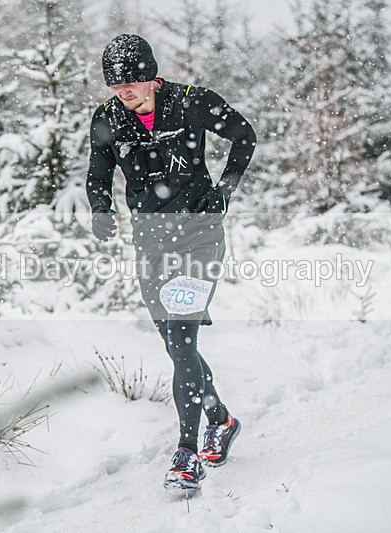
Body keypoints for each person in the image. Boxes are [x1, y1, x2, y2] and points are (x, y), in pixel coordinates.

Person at [86, 34, 256, 490]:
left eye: (134, 82)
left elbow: (244, 136)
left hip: (199, 237)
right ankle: (220, 419)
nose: (124, 91)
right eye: (115, 85)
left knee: (182, 340)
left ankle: (186, 452)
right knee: (176, 345)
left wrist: (226, 187)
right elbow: (98, 174)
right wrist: (100, 210)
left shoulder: (190, 102)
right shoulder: (107, 119)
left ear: (152, 76)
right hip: (150, 243)